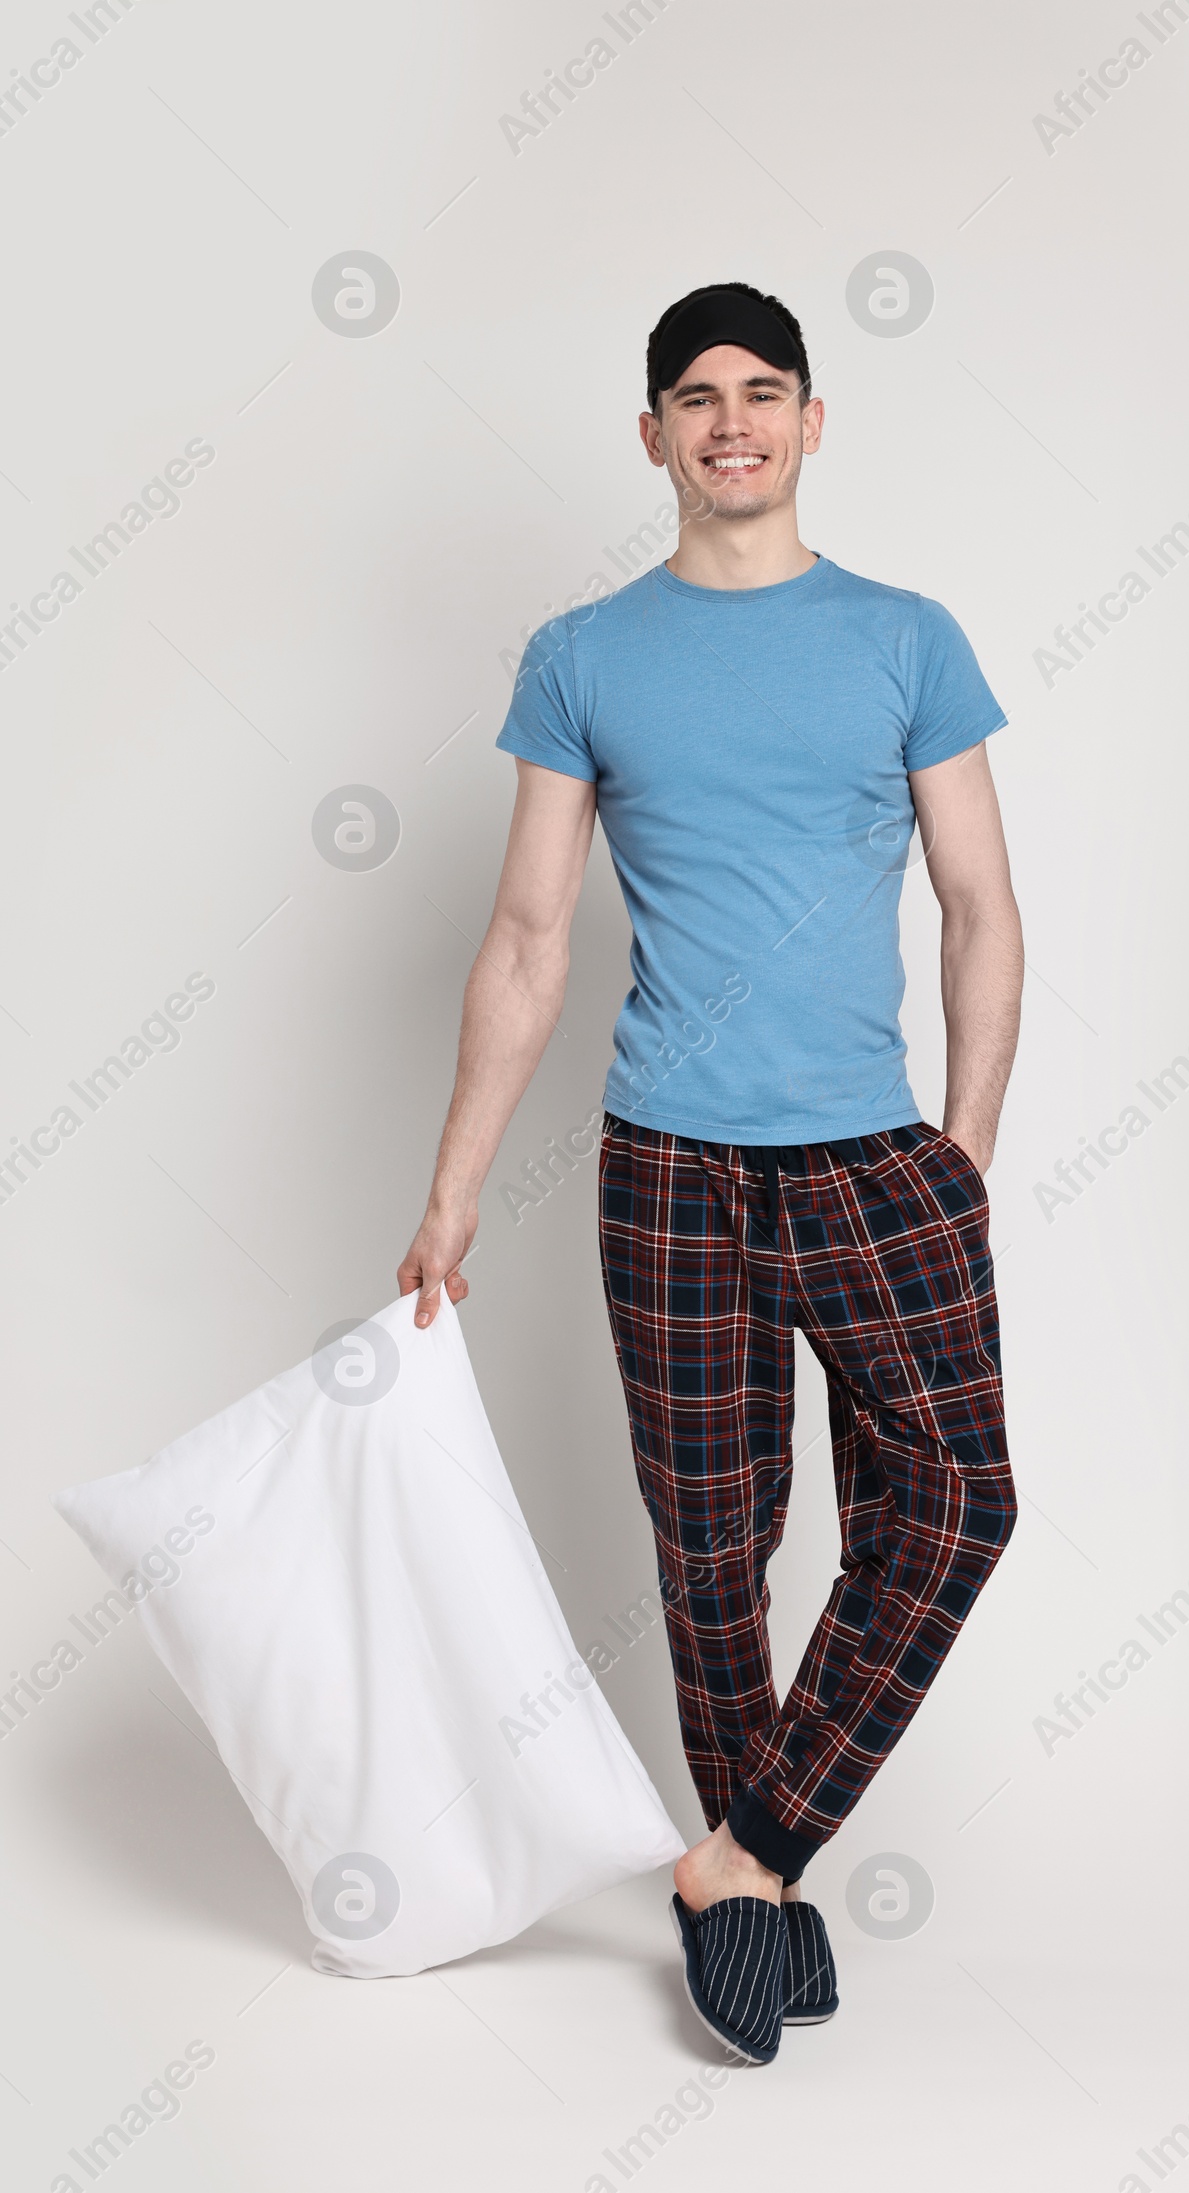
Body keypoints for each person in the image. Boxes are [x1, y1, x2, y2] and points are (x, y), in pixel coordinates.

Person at [399, 280, 1023, 2064]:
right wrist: (450, 1191)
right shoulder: (584, 656)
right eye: (696, 394)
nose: (730, 418)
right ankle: (752, 1892)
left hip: (873, 1159)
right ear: (654, 435)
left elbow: (982, 911)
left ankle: (741, 1852)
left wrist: (960, 1157)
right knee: (714, 1549)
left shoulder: (908, 637)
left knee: (955, 1501)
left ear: (813, 423)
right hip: (670, 1162)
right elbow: (527, 939)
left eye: (765, 390)